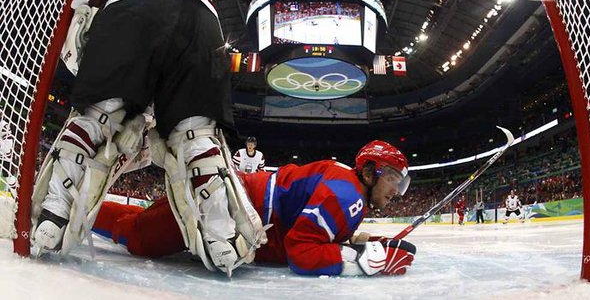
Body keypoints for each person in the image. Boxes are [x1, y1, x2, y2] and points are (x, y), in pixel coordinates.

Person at [30, 0, 265, 275]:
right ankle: (221, 236)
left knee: (98, 118)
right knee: (195, 138)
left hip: (138, 6)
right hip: (205, 18)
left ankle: (52, 215)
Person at [92, 140, 417, 277]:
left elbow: (312, 229)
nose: (396, 193)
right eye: (393, 180)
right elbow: (300, 252)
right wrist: (362, 262)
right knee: (138, 237)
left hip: (229, 201)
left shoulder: (348, 190)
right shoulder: (347, 194)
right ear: (371, 171)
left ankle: (75, 212)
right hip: (227, 212)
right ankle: (57, 213)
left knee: (140, 222)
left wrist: (358, 241)